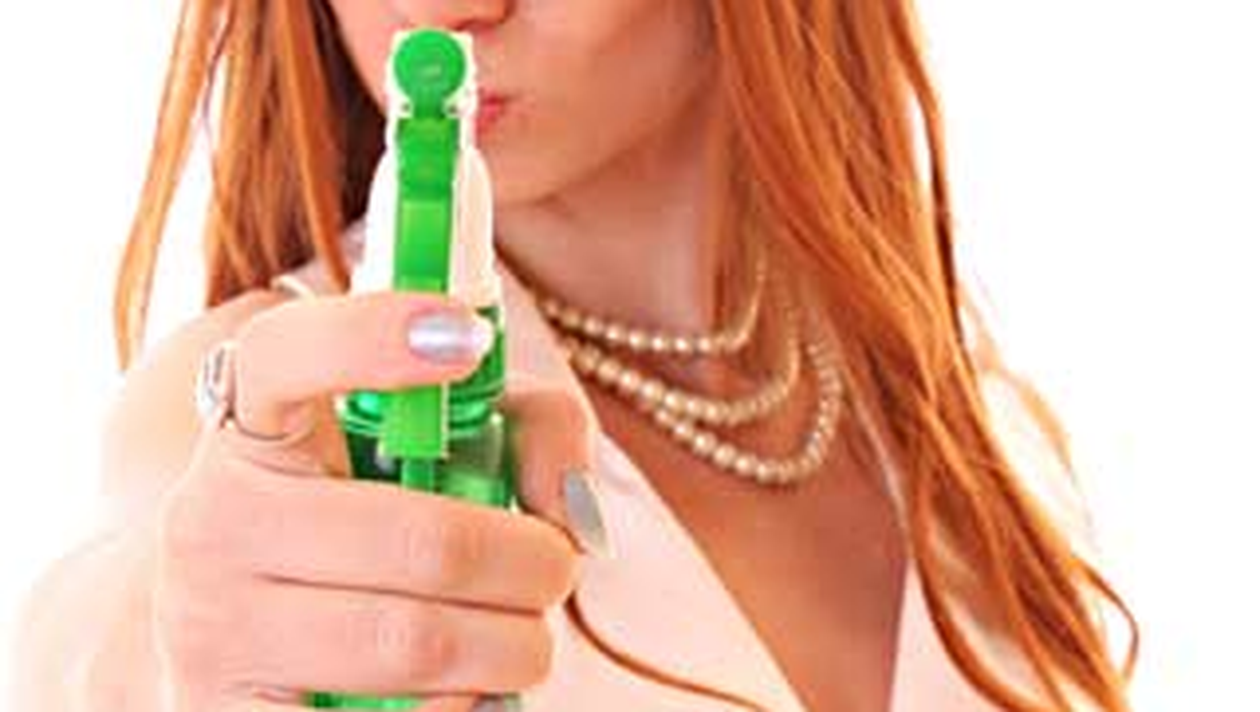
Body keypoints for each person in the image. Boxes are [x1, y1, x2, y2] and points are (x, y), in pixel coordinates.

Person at [13, 0, 1137, 709]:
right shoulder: (286, 409)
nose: (440, 12)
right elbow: (117, 606)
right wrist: (171, 646)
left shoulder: (975, 435)